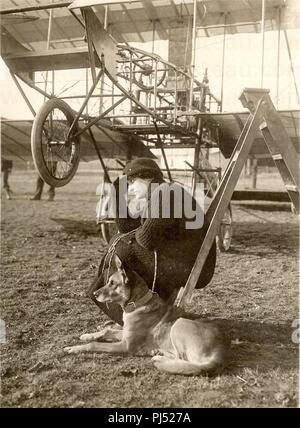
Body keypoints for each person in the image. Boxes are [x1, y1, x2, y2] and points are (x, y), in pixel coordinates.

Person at [88, 157, 216, 325]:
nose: (131, 189)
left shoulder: (167, 193)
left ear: (146, 178)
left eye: (132, 183)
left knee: (123, 249)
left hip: (191, 265)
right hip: (183, 258)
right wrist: (116, 195)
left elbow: (146, 239)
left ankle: (139, 318)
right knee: (119, 242)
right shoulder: (159, 192)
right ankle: (134, 316)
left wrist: (135, 233)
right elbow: (128, 227)